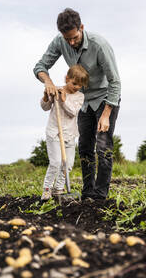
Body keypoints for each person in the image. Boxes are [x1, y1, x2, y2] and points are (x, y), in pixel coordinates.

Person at [33, 8, 121, 200]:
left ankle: (99, 196)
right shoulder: (60, 41)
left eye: (74, 38)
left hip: (105, 99)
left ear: (81, 27)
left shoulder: (99, 45)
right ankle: (87, 192)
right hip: (82, 101)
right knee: (84, 148)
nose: (71, 43)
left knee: (103, 146)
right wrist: (48, 82)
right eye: (67, 39)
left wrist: (106, 114)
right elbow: (40, 67)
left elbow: (115, 82)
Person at [40, 64, 88, 201]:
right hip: (54, 132)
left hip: (70, 134)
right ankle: (47, 189)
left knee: (68, 164)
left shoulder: (80, 97)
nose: (76, 87)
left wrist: (64, 100)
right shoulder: (57, 90)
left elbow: (73, 112)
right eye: (74, 83)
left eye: (80, 85)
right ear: (67, 78)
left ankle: (59, 188)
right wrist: (46, 96)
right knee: (55, 162)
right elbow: (45, 107)